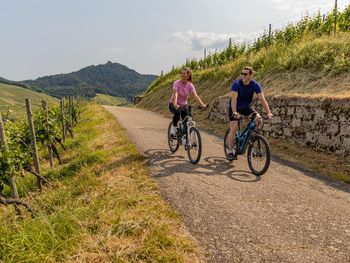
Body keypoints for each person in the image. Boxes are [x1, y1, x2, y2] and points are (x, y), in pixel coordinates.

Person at [227, 66, 273, 161]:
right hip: (234, 107)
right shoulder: (236, 84)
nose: (243, 75)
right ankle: (230, 151)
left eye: (245, 74)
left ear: (250, 75)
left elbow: (262, 99)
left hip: (246, 107)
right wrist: (235, 112)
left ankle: (253, 137)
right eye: (242, 73)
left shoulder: (255, 84)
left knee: (259, 120)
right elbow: (234, 99)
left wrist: (268, 112)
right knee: (233, 128)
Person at [169, 67, 206, 136]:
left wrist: (202, 104)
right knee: (177, 113)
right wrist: (175, 104)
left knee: (187, 121)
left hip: (183, 105)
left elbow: (195, 95)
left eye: (184, 73)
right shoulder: (177, 83)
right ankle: (173, 128)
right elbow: (175, 94)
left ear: (188, 75)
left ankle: (184, 136)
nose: (182, 75)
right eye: (181, 73)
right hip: (173, 104)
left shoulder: (190, 85)